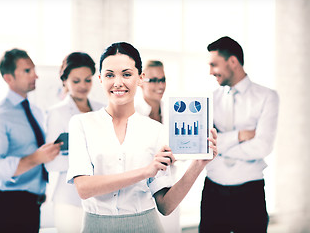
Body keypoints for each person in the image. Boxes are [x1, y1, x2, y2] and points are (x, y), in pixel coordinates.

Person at [66, 42, 218, 232]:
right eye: (110, 75)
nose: (118, 82)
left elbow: (166, 206)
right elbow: (84, 188)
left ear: (140, 78)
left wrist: (198, 165)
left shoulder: (157, 130)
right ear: (100, 79)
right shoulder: (81, 124)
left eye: (127, 74)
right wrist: (146, 171)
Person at [199, 36, 279, 232]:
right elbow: (202, 145)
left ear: (232, 62)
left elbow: (262, 147)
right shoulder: (210, 99)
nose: (210, 72)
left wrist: (219, 146)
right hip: (213, 192)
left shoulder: (267, 97)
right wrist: (240, 136)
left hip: (250, 194)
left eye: (214, 65)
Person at [0, 48, 61, 233]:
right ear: (8, 78)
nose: (35, 76)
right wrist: (35, 158)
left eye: (33, 69)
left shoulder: (36, 111)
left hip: (33, 206)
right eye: (27, 71)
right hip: (8, 208)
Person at [45, 52, 105, 232]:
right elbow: (51, 162)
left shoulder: (102, 110)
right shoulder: (56, 113)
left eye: (87, 80)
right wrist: (87, 160)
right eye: (76, 81)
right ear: (65, 81)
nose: (83, 86)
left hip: (100, 198)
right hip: (69, 200)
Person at [135, 60, 181, 233]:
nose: (160, 85)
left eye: (162, 79)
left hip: (170, 186)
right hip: (142, 190)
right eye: (153, 80)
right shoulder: (133, 115)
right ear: (140, 82)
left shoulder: (174, 112)